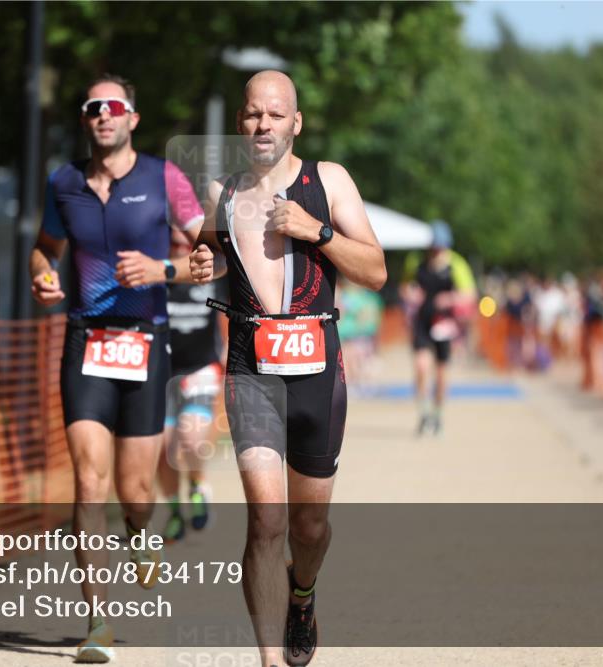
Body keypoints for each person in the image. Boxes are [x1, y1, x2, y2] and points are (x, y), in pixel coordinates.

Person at [189, 70, 386, 667]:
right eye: (253, 114)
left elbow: (375, 271)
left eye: (276, 115)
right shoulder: (220, 193)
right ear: (240, 122)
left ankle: (304, 593)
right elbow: (203, 250)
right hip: (251, 371)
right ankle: (271, 660)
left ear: (296, 122)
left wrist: (316, 230)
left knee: (309, 528)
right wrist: (200, 260)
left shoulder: (328, 181)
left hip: (318, 375)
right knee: (266, 522)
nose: (263, 125)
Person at [29, 73, 205, 664]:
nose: (104, 115)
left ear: (132, 117)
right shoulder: (65, 182)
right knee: (88, 482)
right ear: (86, 120)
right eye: (93, 107)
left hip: (146, 342)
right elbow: (43, 248)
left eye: (115, 106)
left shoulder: (165, 179)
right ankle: (97, 621)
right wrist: (42, 275)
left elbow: (214, 254)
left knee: (135, 491)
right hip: (86, 342)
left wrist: (164, 273)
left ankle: (140, 533)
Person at [156, 227, 226, 542]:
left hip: (200, 369)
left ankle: (197, 486)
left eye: (189, 242)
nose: (183, 248)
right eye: (176, 243)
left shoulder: (211, 275)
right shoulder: (157, 277)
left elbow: (228, 316)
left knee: (191, 437)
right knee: (162, 446)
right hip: (162, 372)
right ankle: (173, 512)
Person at [401, 221, 477, 435]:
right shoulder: (416, 262)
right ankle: (424, 412)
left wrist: (451, 298)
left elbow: (470, 295)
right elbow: (404, 287)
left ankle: (438, 413)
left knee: (441, 372)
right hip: (422, 323)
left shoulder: (457, 265)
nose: (437, 252)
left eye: (441, 247)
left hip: (445, 325)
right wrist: (410, 293)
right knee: (421, 367)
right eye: (434, 247)